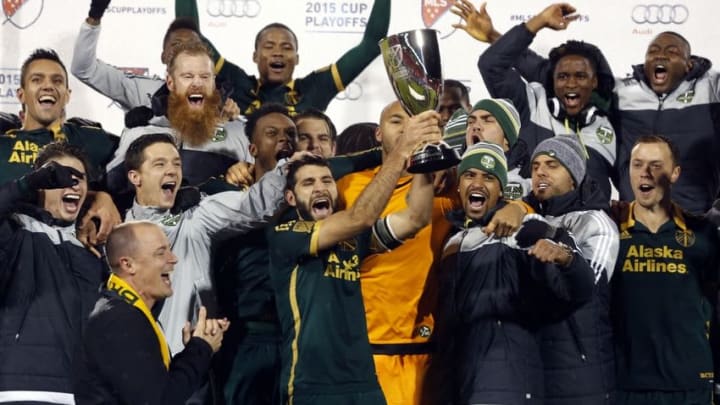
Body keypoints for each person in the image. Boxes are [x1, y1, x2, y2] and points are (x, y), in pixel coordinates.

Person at [268, 109, 440, 405]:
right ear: (291, 198)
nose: (320, 187)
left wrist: (421, 159)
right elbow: (360, 217)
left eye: (326, 180)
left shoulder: (352, 239)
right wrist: (400, 151)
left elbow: (415, 217)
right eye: (308, 183)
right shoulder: (286, 234)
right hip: (314, 385)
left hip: (364, 382)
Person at [430, 142, 595, 405]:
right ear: (458, 185)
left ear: (502, 189)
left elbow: (580, 292)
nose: (478, 183)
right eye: (470, 175)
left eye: (489, 177)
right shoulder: (450, 240)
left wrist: (566, 258)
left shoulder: (527, 230)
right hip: (454, 382)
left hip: (504, 384)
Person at [334, 101, 458, 405]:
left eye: (416, 123)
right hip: (362, 351)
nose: (408, 130)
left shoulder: (448, 193)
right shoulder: (346, 188)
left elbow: (501, 199)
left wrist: (517, 208)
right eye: (397, 122)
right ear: (378, 134)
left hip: (423, 352)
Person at [122, 133, 287, 355]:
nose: (172, 170)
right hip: (136, 364)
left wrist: (290, 166)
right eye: (159, 164)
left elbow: (256, 204)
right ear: (135, 177)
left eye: (176, 164)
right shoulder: (113, 231)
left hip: (192, 361)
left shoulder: (196, 215)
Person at [458, 1, 617, 204]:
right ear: (552, 80)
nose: (571, 84)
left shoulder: (614, 120)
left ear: (594, 81)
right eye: (563, 77)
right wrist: (539, 21)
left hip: (592, 226)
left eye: (580, 76)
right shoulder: (531, 102)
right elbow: (492, 65)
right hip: (529, 224)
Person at [612, 135, 718, 405]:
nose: (644, 173)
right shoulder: (609, 228)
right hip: (626, 384)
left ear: (675, 174)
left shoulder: (702, 233)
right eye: (637, 165)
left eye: (656, 165)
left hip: (690, 383)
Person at [74, 221, 230, 404]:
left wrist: (194, 348)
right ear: (128, 265)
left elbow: (157, 387)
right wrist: (201, 348)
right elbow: (159, 400)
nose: (173, 259)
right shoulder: (120, 319)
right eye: (161, 253)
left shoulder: (122, 311)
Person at [0, 142, 106, 404]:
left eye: (79, 178)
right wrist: (26, 185)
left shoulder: (92, 249)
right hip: (22, 390)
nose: (72, 183)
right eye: (58, 175)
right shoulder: (15, 230)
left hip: (81, 393)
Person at [1, 48, 120, 253]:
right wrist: (94, 196)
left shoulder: (91, 139)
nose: (48, 86)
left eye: (57, 81)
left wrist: (106, 197)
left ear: (67, 95)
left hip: (78, 255)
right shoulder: (2, 145)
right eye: (37, 80)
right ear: (21, 94)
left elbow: (142, 163)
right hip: (13, 253)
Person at [177, 0, 390, 114]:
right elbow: (190, 35)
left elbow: (372, 43)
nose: (278, 52)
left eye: (286, 47)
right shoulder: (237, 84)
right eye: (269, 46)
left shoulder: (314, 89)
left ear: (297, 58)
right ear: (255, 56)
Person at [105, 41, 251, 196]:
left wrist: (245, 174)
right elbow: (111, 193)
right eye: (187, 76)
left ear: (214, 82)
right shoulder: (140, 134)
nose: (197, 83)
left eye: (205, 76)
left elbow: (267, 192)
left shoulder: (242, 133)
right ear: (170, 82)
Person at [612, 32, 720, 214]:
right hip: (635, 221)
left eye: (672, 52)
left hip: (695, 218)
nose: (660, 55)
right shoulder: (622, 92)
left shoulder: (711, 87)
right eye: (653, 51)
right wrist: (544, 21)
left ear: (689, 65)